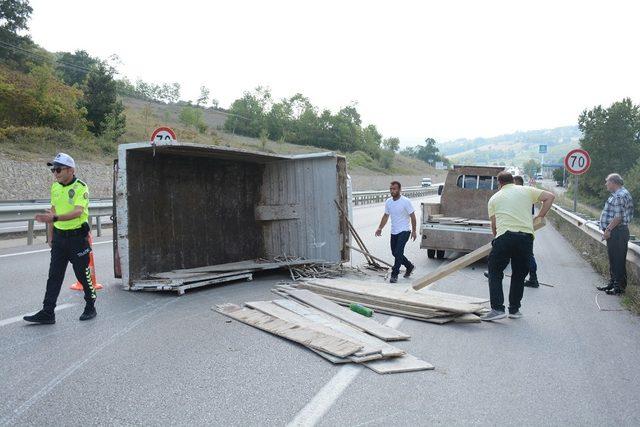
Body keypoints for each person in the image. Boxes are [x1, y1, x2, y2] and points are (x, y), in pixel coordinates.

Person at [24, 153, 97, 324]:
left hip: (77, 238)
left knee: (82, 274)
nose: (55, 173)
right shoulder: (55, 187)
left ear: (71, 170)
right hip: (59, 239)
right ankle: (48, 312)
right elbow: (52, 212)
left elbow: (78, 211)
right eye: (53, 170)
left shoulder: (81, 187)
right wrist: (50, 237)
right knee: (54, 276)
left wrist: (55, 219)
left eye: (58, 169)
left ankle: (90, 306)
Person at [482, 172, 555, 321]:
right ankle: (514, 310)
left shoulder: (494, 198)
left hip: (505, 236)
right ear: (512, 181)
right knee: (519, 274)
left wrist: (497, 238)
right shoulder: (526, 190)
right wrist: (540, 215)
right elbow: (550, 197)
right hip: (525, 238)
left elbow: (494, 224)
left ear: (499, 183)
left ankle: (497, 309)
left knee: (495, 271)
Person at [482, 175, 540, 287]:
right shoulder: (525, 195)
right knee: (524, 256)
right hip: (523, 233)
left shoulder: (523, 195)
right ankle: (531, 278)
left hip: (515, 231)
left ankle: (532, 278)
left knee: (520, 256)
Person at [596, 173, 634, 295]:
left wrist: (608, 230)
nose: (606, 184)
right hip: (617, 231)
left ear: (613, 182)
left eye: (607, 182)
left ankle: (619, 287)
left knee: (617, 259)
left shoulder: (619, 196)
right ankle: (613, 283)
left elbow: (618, 217)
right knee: (614, 259)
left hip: (617, 231)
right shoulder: (620, 194)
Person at [375, 181, 417, 283]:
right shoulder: (388, 202)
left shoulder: (405, 201)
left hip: (404, 231)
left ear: (399, 190)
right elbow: (386, 216)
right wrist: (380, 228)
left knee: (398, 252)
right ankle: (409, 266)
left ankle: (395, 274)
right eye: (391, 189)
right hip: (394, 231)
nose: (392, 191)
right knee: (395, 253)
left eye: (394, 189)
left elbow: (412, 216)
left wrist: (414, 231)